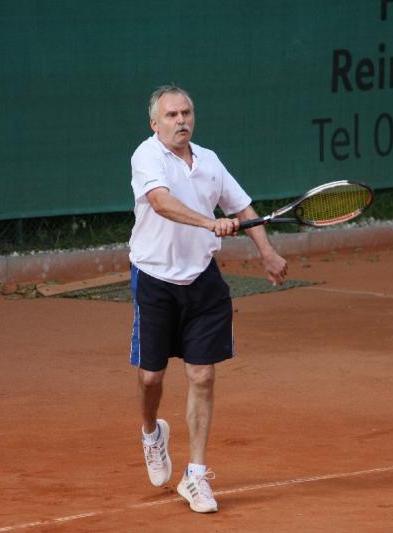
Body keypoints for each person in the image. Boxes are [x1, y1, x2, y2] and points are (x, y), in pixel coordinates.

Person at [128, 85, 288, 513]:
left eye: (186, 113)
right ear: (155, 123)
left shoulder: (210, 161)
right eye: (172, 115)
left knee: (202, 376)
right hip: (155, 279)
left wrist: (267, 252)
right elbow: (161, 203)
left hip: (203, 281)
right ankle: (151, 432)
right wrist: (209, 222)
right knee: (151, 378)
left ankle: (195, 475)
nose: (181, 120)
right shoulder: (146, 156)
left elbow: (244, 208)